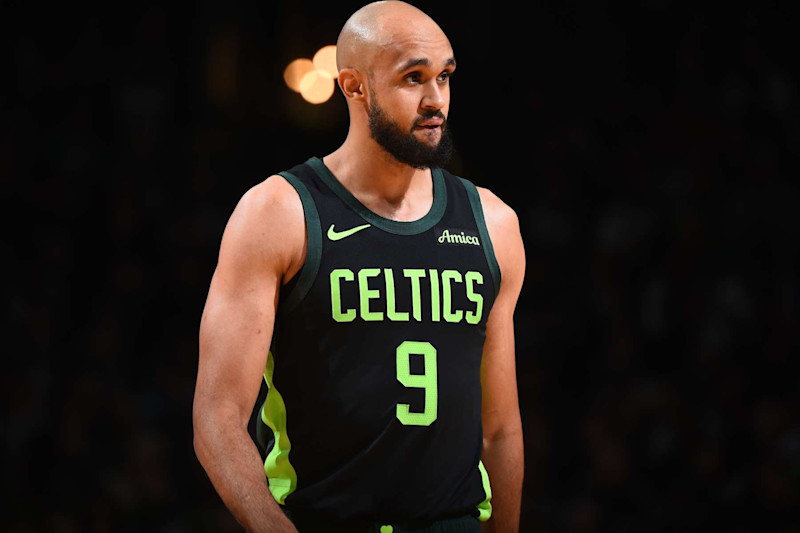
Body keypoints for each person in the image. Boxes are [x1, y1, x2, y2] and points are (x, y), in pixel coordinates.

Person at [192, 1, 525, 532]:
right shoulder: (279, 213)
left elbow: (501, 429)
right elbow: (217, 417)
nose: (435, 99)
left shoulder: (493, 223)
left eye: (444, 75)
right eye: (413, 78)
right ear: (353, 87)